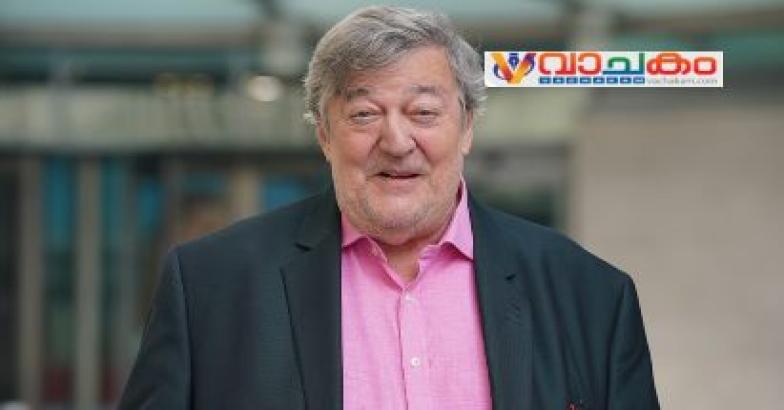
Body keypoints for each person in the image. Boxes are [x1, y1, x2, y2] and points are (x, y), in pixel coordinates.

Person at [118, 6, 659, 410]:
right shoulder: (210, 287)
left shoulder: (592, 297)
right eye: (364, 115)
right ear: (324, 134)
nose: (397, 142)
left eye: (423, 112)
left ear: (467, 127)